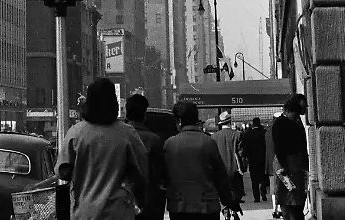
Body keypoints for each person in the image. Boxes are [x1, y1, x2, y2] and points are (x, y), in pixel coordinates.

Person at [57, 77, 148, 220]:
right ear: (113, 102)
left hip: (84, 212)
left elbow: (62, 172)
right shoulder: (127, 133)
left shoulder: (76, 133)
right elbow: (141, 171)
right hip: (118, 212)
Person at [162, 100, 236, 220]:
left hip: (179, 207)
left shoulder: (169, 144)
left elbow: (164, 178)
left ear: (179, 121)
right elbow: (221, 177)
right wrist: (229, 201)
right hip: (207, 207)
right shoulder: (209, 142)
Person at [124, 92, 167, 220]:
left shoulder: (117, 138)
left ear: (126, 113)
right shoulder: (154, 140)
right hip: (150, 204)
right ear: (144, 115)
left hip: (122, 202)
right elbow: (162, 173)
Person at [271, 96, 309, 220]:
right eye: (295, 114)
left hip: (288, 166)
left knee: (290, 197)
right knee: (290, 196)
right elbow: (279, 147)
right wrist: (285, 167)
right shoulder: (282, 124)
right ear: (288, 111)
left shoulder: (290, 123)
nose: (297, 116)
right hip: (286, 166)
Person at [214, 110, 245, 204]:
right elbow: (241, 154)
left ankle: (225, 208)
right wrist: (243, 168)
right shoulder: (238, 134)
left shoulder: (214, 137)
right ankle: (235, 206)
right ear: (230, 121)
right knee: (236, 192)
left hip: (220, 170)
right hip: (234, 168)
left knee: (222, 192)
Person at [241, 118, 269, 203]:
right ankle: (263, 190)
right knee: (264, 177)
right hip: (263, 158)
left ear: (253, 124)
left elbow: (244, 147)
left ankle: (256, 197)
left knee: (254, 179)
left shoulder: (248, 134)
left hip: (252, 159)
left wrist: (246, 157)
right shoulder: (264, 133)